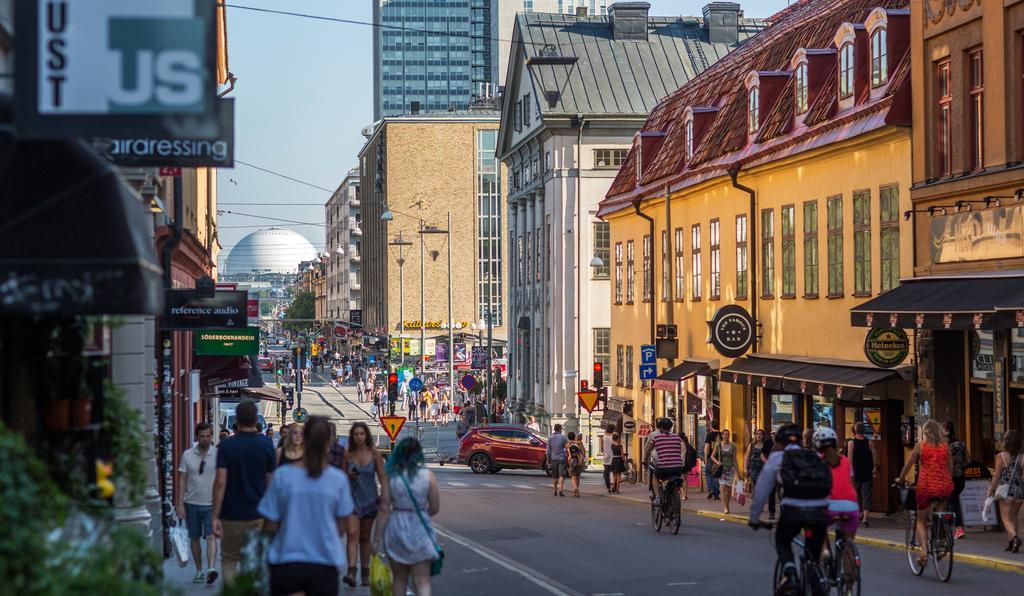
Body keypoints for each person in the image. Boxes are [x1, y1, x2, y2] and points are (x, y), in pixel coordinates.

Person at [258, 416, 354, 596]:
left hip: (286, 559)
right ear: (329, 443)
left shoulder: (283, 476)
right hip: (324, 561)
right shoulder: (338, 480)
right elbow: (341, 527)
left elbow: (270, 524)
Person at [748, 424, 831, 596]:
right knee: (813, 557)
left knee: (782, 540)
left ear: (779, 442)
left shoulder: (778, 457)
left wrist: (754, 517)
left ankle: (791, 574)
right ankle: (818, 580)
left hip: (793, 511)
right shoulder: (813, 456)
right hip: (819, 512)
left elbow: (762, 489)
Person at [212, 400, 276, 584]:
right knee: (254, 560)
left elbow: (220, 482)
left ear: (237, 420)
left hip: (230, 514)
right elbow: (271, 482)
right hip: (258, 514)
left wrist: (215, 516)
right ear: (256, 419)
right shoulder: (266, 445)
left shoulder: (226, 446)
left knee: (230, 558)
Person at [376, 438, 441, 596]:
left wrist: (376, 539)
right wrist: (422, 514)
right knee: (422, 580)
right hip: (419, 529)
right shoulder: (428, 476)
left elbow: (384, 508)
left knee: (399, 580)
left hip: (396, 527)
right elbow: (435, 507)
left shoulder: (391, 476)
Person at [896, 419, 954, 567]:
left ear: (925, 432)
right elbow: (950, 468)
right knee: (941, 510)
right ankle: (942, 537)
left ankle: (924, 552)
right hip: (944, 486)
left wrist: (901, 479)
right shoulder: (945, 447)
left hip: (926, 487)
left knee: (921, 520)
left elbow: (908, 464)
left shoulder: (921, 446)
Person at [343, 421, 391, 587]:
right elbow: (341, 476)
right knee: (352, 534)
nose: (359, 437)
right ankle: (351, 571)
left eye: (361, 434)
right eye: (356, 434)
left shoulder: (375, 454)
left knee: (364, 537)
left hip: (369, 500)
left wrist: (384, 494)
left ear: (366, 436)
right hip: (351, 499)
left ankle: (365, 570)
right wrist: (349, 474)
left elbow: (382, 475)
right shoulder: (347, 454)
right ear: (352, 436)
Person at [176, 422, 219, 585]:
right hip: (191, 502)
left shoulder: (217, 454)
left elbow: (222, 478)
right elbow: (182, 480)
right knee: (194, 537)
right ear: (196, 437)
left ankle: (211, 568)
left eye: (208, 436)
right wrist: (179, 504)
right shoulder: (187, 455)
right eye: (202, 436)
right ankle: (199, 570)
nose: (205, 439)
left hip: (211, 503)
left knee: (210, 536)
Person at [814, 427, 859, 540]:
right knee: (848, 543)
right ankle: (851, 555)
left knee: (817, 531)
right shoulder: (845, 461)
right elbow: (852, 484)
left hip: (829, 505)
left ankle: (824, 552)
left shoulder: (817, 462)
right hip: (851, 506)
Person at [987, 429, 1023, 552]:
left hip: (1006, 490)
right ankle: (1011, 544)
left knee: (1006, 519)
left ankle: (1015, 537)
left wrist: (990, 491)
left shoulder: (1001, 456)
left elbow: (996, 475)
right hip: (1019, 490)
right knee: (1013, 517)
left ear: (1006, 441)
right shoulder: (1022, 457)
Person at [642, 418, 685, 506]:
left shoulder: (657, 438)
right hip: (677, 467)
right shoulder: (677, 437)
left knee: (655, 476)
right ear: (670, 428)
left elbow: (648, 451)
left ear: (660, 428)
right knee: (673, 479)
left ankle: (657, 497)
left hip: (663, 467)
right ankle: (673, 497)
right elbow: (683, 448)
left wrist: (645, 462)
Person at [846, 422, 878, 527]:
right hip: (867, 473)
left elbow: (849, 460)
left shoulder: (851, 443)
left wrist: (849, 473)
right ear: (864, 430)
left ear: (855, 430)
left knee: (856, 496)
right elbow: (874, 456)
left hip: (855, 474)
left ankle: (857, 516)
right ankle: (864, 520)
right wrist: (875, 468)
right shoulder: (870, 442)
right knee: (866, 496)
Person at [945, 420, 970, 539]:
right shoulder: (961, 444)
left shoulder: (943, 445)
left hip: (949, 477)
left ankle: (958, 528)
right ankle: (955, 526)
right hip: (961, 477)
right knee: (954, 500)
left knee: (952, 502)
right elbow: (968, 460)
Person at [712, 429, 739, 515]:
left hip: (730, 470)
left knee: (729, 489)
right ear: (722, 436)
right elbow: (712, 456)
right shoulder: (718, 445)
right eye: (725, 435)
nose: (726, 436)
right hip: (721, 469)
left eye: (728, 435)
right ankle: (725, 507)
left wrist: (738, 473)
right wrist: (717, 462)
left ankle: (727, 504)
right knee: (723, 487)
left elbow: (735, 460)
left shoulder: (733, 446)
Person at [546, 424, 569, 497]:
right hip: (561, 458)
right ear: (559, 429)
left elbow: (548, 451)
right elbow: (567, 448)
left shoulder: (550, 438)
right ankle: (560, 490)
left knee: (555, 476)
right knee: (562, 475)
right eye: (561, 429)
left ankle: (555, 491)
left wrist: (548, 460)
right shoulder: (563, 437)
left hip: (553, 459)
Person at [745, 428, 766, 497]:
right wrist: (745, 467)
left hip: (762, 466)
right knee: (755, 480)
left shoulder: (765, 445)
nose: (758, 436)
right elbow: (747, 456)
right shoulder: (752, 444)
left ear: (763, 436)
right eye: (757, 434)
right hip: (753, 466)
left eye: (760, 434)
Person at [567, 432, 587, 498]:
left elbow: (569, 454)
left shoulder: (569, 445)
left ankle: (576, 489)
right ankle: (576, 490)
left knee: (573, 477)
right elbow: (584, 453)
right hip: (580, 462)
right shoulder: (580, 444)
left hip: (572, 462)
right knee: (578, 477)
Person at [703, 427, 721, 500]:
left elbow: (707, 447)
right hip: (719, 458)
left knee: (708, 473)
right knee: (716, 475)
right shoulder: (722, 435)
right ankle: (716, 494)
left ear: (712, 427)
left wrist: (705, 457)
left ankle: (711, 489)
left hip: (711, 457)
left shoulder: (709, 435)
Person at [680, 432, 697, 501]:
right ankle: (685, 494)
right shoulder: (688, 445)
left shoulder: (681, 444)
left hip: (682, 464)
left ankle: (684, 495)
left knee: (681, 480)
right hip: (688, 464)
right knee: (685, 479)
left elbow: (682, 455)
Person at [601, 424, 616, 494]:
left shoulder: (603, 437)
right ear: (613, 429)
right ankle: (613, 486)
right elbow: (616, 445)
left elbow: (602, 447)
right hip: (613, 456)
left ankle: (608, 488)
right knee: (613, 472)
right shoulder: (614, 436)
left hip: (606, 456)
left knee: (606, 472)